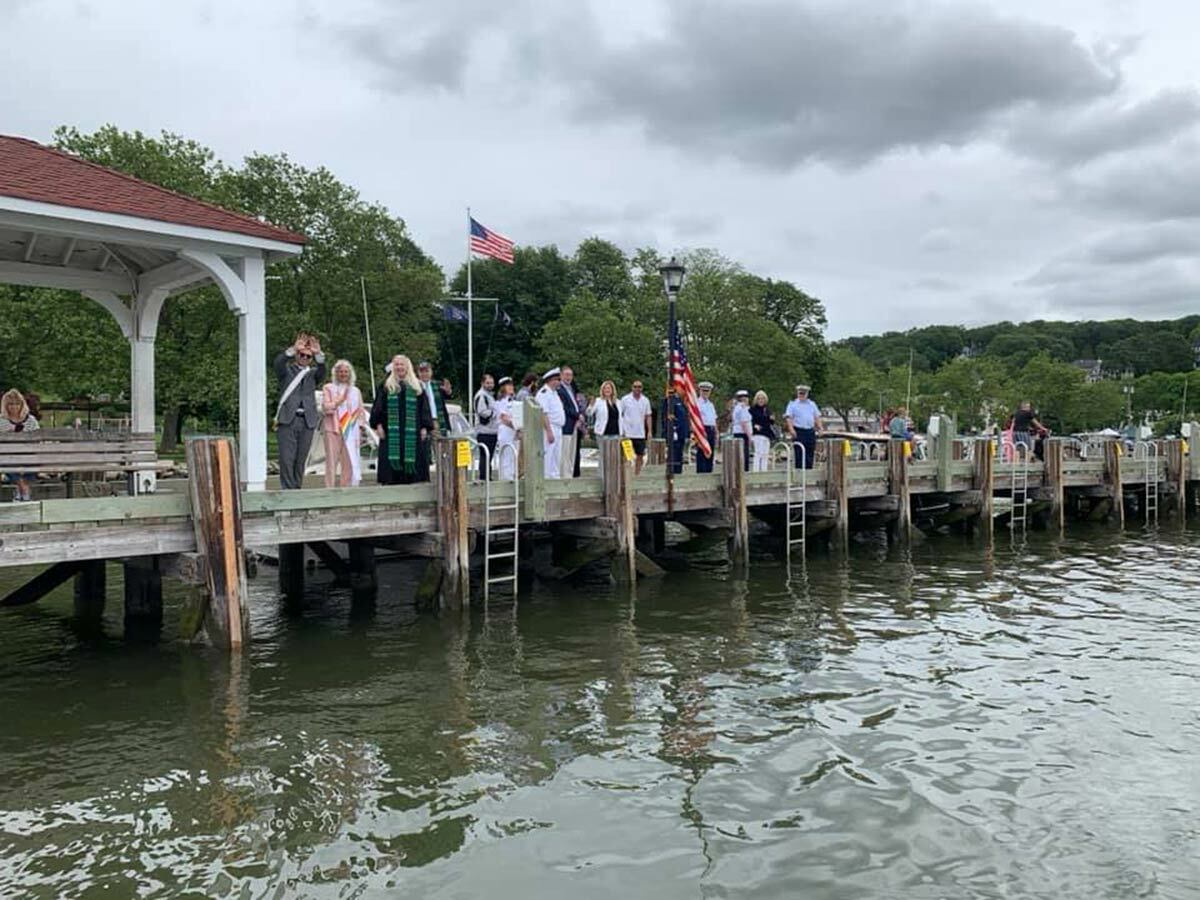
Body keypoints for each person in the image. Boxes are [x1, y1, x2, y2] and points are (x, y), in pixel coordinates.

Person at [370, 355, 434, 484]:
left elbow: (424, 409)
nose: (399, 367)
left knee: (414, 459)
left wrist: (424, 427)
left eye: (402, 364)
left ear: (407, 367)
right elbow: (378, 407)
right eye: (397, 364)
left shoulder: (416, 386)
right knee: (391, 460)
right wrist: (378, 425)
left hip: (412, 430)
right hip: (391, 431)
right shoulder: (386, 386)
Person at [273, 331, 326, 489]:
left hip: (307, 421)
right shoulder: (287, 372)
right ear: (297, 355)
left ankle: (297, 490)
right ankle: (287, 491)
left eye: (308, 356)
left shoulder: (313, 374)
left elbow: (322, 371)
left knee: (300, 459)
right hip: (288, 419)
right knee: (287, 458)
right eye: (301, 354)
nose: (304, 358)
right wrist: (292, 349)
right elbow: (278, 364)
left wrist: (319, 355)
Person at [321, 359, 367, 487]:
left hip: (350, 430)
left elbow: (361, 410)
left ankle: (345, 488)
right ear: (336, 373)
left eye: (346, 371)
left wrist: (361, 427)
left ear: (350, 373)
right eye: (340, 371)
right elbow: (325, 408)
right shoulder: (328, 388)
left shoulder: (355, 390)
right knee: (331, 461)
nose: (343, 374)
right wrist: (338, 402)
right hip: (333, 428)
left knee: (348, 461)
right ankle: (329, 489)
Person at [1, 389, 39, 501]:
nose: (14, 407)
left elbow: (37, 439)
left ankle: (20, 489)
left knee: (35, 460)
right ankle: (24, 488)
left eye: (17, 404)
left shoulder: (31, 420)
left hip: (28, 454)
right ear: (6, 406)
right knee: (4, 460)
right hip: (7, 455)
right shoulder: (1, 421)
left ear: (22, 405)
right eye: (10, 404)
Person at [784, 384, 824, 470]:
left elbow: (817, 417)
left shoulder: (812, 404)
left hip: (809, 431)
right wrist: (791, 430)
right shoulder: (793, 404)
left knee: (810, 453)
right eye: (800, 393)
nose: (801, 395)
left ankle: (808, 473)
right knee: (799, 453)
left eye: (803, 393)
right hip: (798, 431)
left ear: (807, 394)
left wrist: (820, 428)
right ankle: (799, 475)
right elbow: (789, 418)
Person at [536, 367, 566, 479]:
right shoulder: (544, 393)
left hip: (558, 427)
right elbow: (544, 414)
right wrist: (549, 431)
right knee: (548, 457)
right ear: (550, 380)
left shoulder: (554, 393)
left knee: (556, 457)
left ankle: (555, 480)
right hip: (549, 427)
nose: (559, 382)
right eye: (557, 379)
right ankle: (547, 479)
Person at [618, 379, 653, 475]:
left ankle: (637, 474)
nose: (637, 389)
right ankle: (626, 475)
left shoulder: (645, 400)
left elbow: (648, 416)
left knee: (640, 455)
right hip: (627, 433)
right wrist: (621, 430)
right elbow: (619, 415)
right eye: (635, 386)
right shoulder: (625, 399)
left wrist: (649, 431)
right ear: (632, 387)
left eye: (639, 387)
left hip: (640, 433)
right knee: (626, 455)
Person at [558, 365, 585, 478]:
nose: (569, 377)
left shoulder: (571, 389)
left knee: (572, 453)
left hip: (574, 425)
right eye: (566, 375)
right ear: (561, 375)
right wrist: (577, 415)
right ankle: (564, 476)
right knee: (565, 453)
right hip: (566, 425)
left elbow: (575, 405)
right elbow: (565, 407)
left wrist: (580, 416)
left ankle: (569, 475)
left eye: (570, 375)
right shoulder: (560, 389)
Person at [494, 377, 519, 480]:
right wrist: (516, 425)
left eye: (512, 385)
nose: (511, 387)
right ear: (503, 388)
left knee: (514, 456)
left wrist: (518, 428)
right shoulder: (500, 402)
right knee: (506, 456)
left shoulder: (514, 401)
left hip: (514, 430)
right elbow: (504, 418)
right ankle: (506, 480)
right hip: (505, 430)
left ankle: (512, 478)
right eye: (508, 385)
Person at [417, 361, 452, 434]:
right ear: (418, 373)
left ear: (431, 372)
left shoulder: (438, 385)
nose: (424, 374)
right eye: (422, 372)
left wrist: (448, 392)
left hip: (438, 420)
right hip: (423, 422)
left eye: (427, 371)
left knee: (442, 442)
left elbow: (447, 397)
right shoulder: (416, 386)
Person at [474, 373, 497, 480]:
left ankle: (488, 476)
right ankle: (484, 477)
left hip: (492, 430)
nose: (490, 385)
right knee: (485, 456)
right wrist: (494, 413)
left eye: (492, 383)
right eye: (487, 383)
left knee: (489, 456)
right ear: (482, 383)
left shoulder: (490, 395)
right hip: (484, 431)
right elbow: (482, 411)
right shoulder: (481, 395)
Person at [663, 392, 691, 475]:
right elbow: (667, 415)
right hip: (674, 431)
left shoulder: (682, 400)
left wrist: (687, 432)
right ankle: (672, 472)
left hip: (682, 432)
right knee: (673, 453)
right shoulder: (670, 400)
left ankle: (678, 471)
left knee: (679, 454)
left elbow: (685, 417)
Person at [749, 390, 777, 472]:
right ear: (756, 400)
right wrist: (754, 425)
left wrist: (772, 419)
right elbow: (751, 420)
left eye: (762, 399)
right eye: (759, 399)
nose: (761, 400)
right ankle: (756, 472)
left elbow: (770, 421)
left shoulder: (767, 409)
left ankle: (764, 472)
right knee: (758, 453)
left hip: (766, 433)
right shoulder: (752, 409)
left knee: (765, 454)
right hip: (758, 433)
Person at [695, 381, 718, 473]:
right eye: (704, 391)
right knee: (702, 451)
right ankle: (701, 473)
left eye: (707, 391)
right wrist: (700, 431)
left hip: (711, 429)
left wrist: (717, 431)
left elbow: (714, 419)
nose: (705, 393)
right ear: (700, 391)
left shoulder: (710, 404)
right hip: (702, 429)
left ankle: (709, 471)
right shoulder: (697, 403)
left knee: (710, 451)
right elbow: (697, 418)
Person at [730, 390, 752, 471]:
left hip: (738, 433)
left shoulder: (738, 407)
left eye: (746, 397)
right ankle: (743, 472)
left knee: (740, 454)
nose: (745, 399)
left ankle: (741, 471)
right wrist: (749, 436)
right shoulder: (742, 407)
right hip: (742, 433)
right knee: (743, 455)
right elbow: (744, 423)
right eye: (743, 398)